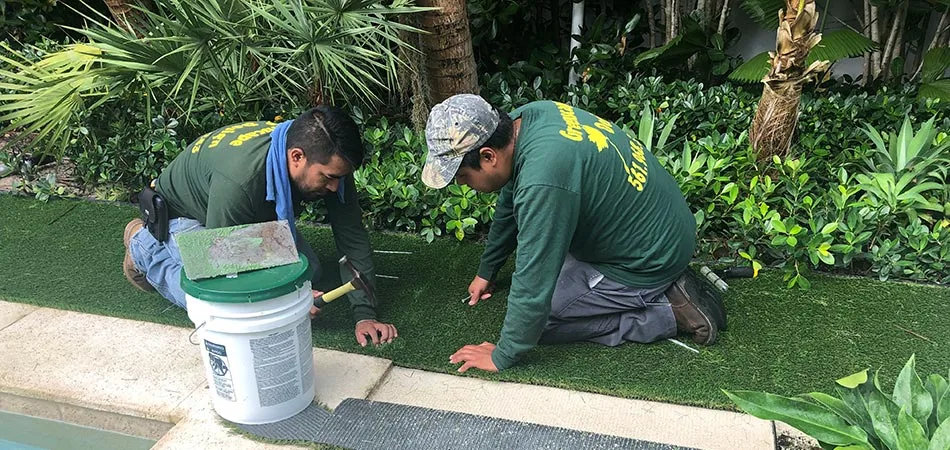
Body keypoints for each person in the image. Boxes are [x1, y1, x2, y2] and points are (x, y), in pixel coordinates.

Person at [421, 94, 725, 373]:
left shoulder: (543, 178)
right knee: (534, 301)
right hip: (660, 229)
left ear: (488, 157)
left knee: (539, 321)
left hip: (648, 258)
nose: (463, 185)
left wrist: (504, 354)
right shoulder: (531, 117)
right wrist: (488, 269)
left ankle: (669, 311)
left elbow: (533, 280)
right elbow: (510, 201)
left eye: (462, 176)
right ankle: (656, 287)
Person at [122, 106, 397, 347]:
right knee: (226, 310)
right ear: (297, 157)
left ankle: (155, 245)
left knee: (309, 271)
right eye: (328, 178)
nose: (335, 186)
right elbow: (222, 265)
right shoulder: (240, 181)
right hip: (182, 214)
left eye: (339, 177)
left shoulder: (329, 162)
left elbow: (351, 234)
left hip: (240, 210)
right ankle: (144, 249)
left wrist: (365, 315)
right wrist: (285, 303)